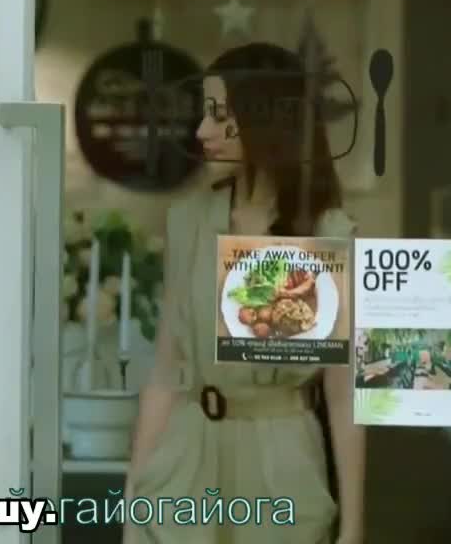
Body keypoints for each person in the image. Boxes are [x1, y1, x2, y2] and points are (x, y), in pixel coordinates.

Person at [124, 43, 365, 544]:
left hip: (283, 461)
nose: (200, 131)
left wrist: (353, 526)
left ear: (265, 120)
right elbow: (165, 375)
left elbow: (344, 395)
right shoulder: (189, 223)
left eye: (219, 115)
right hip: (186, 458)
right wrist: (133, 499)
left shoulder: (325, 233)